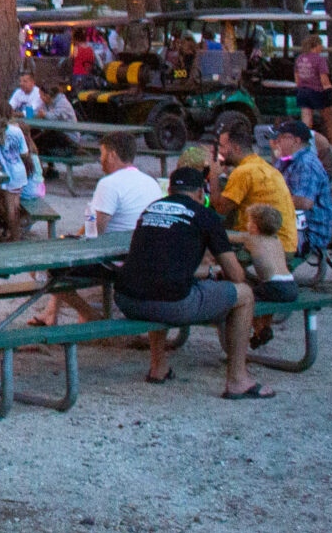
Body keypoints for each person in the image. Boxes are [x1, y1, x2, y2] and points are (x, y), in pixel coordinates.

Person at [112, 164, 268, 397]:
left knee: (161, 282)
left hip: (126, 299)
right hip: (171, 305)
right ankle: (238, 380)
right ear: (200, 194)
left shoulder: (151, 209)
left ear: (170, 191)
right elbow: (236, 275)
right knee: (244, 295)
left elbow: (161, 262)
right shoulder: (204, 215)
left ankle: (158, 367)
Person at [40, 131, 163, 324]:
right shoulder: (151, 182)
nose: (100, 160)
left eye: (102, 154)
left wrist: (72, 241)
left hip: (114, 261)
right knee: (62, 256)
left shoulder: (109, 184)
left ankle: (88, 314)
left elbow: (95, 230)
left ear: (112, 154)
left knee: (49, 266)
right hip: (142, 257)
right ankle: (50, 314)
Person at [212, 122, 298, 254]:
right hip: (287, 243)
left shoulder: (243, 171)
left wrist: (213, 174)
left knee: (208, 233)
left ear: (236, 148)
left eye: (222, 147)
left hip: (268, 247)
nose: (220, 152)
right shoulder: (260, 165)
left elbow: (220, 209)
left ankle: (228, 273)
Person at [267, 120, 332, 258]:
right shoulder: (285, 159)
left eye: (281, 138)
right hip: (292, 222)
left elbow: (304, 202)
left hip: (309, 231)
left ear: (296, 141)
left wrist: (269, 202)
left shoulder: (306, 163)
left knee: (255, 236)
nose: (277, 142)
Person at [0, 100, 43, 240]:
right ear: (12, 114)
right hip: (18, 171)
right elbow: (24, 153)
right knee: (12, 204)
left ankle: (15, 237)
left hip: (7, 172)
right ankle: (13, 233)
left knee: (11, 207)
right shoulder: (17, 131)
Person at [241, 203, 301, 302]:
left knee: (242, 294)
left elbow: (228, 235)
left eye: (249, 221)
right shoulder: (276, 240)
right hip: (291, 285)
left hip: (274, 287)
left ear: (254, 226)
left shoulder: (252, 239)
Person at [292, 34, 332, 116]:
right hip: (317, 91)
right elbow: (324, 80)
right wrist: (330, 93)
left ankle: (306, 129)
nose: (322, 47)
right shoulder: (320, 59)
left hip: (302, 92)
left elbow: (297, 77)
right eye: (321, 45)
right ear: (316, 45)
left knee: (306, 118)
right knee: (329, 119)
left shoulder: (299, 58)